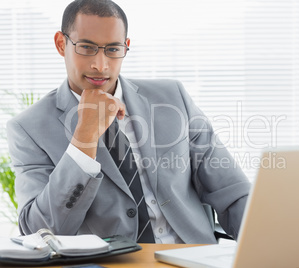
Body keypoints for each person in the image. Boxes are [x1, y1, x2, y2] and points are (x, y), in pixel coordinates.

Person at [7, 0, 250, 244]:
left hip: (193, 256)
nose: (100, 65)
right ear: (61, 44)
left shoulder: (173, 98)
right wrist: (84, 139)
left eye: (112, 49)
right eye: (87, 47)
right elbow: (38, 232)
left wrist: (269, 247)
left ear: (126, 47)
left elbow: (232, 192)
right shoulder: (29, 128)